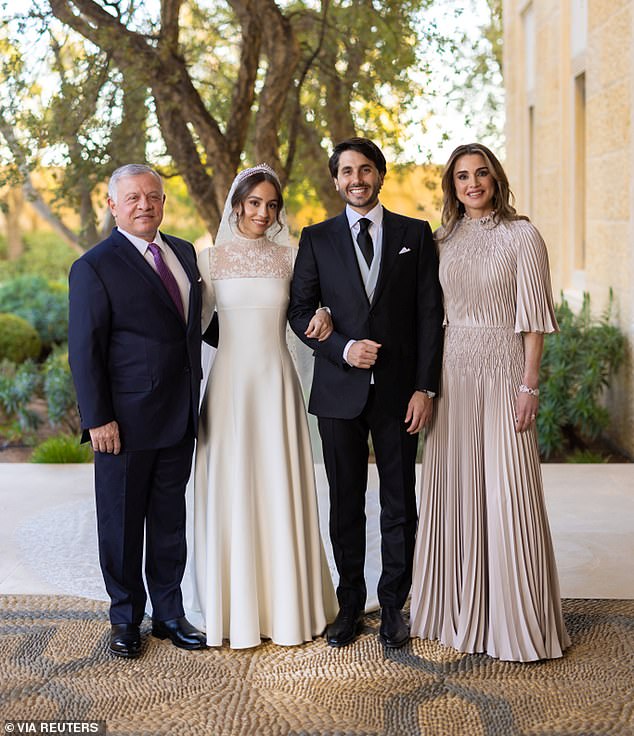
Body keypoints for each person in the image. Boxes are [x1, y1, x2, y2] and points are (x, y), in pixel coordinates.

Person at [409, 143, 571, 661]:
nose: (472, 183)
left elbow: (534, 320)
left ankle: (517, 620)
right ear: (451, 187)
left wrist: (529, 385)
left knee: (511, 490)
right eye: (461, 177)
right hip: (452, 374)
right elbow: (416, 311)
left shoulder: (523, 236)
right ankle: (454, 611)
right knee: (454, 489)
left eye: (481, 173)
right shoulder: (442, 240)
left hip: (504, 372)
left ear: (496, 178)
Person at [288, 137, 444, 649]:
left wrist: (425, 387)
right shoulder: (316, 238)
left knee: (401, 502)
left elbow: (428, 319)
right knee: (345, 502)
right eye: (347, 171)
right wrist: (342, 347)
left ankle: (395, 603)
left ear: (380, 174)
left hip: (400, 393)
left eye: (365, 170)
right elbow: (299, 311)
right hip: (338, 393)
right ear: (335, 180)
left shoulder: (415, 235)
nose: (357, 179)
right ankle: (349, 603)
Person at [191, 164, 337, 649]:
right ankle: (233, 606)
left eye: (272, 204)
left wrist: (323, 313)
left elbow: (309, 309)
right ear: (237, 205)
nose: (263, 212)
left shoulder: (291, 257)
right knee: (233, 486)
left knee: (277, 483)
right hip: (230, 384)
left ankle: (287, 606)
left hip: (275, 383)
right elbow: (192, 325)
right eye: (254, 203)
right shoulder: (208, 260)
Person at [68, 164, 206, 659]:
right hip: (123, 424)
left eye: (153, 196)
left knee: (170, 522)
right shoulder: (94, 266)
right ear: (112, 205)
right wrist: (97, 417)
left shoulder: (185, 253)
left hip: (180, 416)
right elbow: (85, 349)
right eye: (132, 198)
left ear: (163, 200)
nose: (144, 205)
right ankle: (125, 618)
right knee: (122, 525)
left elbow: (194, 326)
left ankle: (169, 614)